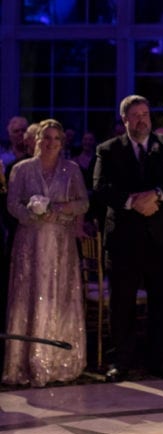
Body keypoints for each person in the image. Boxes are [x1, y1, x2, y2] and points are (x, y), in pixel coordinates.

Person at [93, 95, 163, 381]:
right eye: (135, 115)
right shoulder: (107, 150)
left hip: (162, 241)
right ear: (125, 119)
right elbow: (100, 187)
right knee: (122, 304)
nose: (142, 119)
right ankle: (121, 362)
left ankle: (160, 361)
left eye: (145, 113)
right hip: (124, 242)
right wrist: (132, 201)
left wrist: (156, 195)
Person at [3, 119, 89, 387]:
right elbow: (11, 204)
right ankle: (25, 362)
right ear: (35, 140)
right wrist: (32, 214)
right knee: (29, 296)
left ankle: (58, 362)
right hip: (30, 242)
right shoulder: (21, 169)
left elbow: (83, 202)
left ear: (62, 143)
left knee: (59, 295)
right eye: (45, 137)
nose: (50, 142)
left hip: (61, 243)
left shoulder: (71, 169)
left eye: (55, 138)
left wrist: (60, 209)